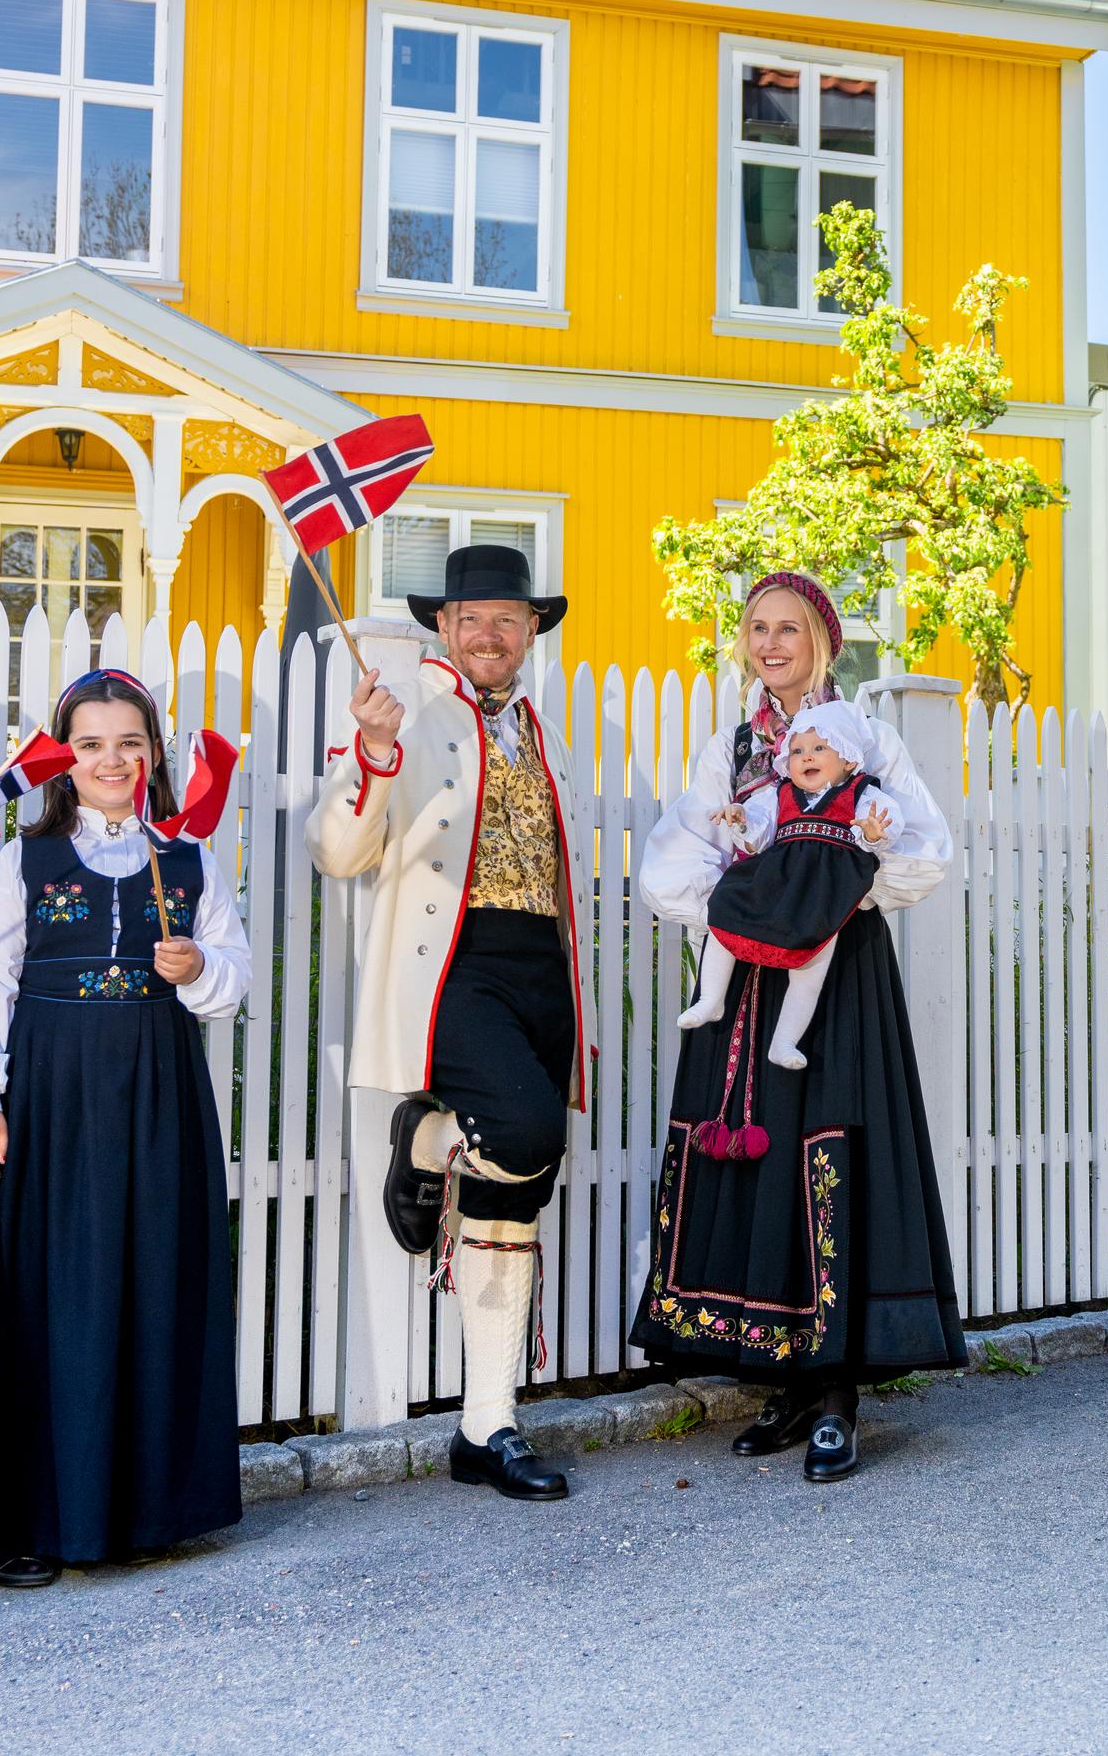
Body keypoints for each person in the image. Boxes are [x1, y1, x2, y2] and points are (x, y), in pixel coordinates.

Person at [632, 573, 963, 1482]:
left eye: (790, 629)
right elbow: (678, 855)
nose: (771, 643)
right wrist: (745, 904)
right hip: (745, 977)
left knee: (827, 1155)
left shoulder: (871, 739)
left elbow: (921, 848)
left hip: (837, 971)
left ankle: (836, 1395)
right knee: (762, 1159)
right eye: (757, 628)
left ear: (823, 641)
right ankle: (781, 1377)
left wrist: (834, 888)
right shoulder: (731, 748)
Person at [309, 539, 586, 1501]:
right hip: (459, 966)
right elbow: (335, 849)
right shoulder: (408, 716)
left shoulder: (542, 729)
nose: (489, 633)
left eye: (508, 619)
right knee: (521, 1131)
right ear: (442, 626)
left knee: (521, 1189)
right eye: (471, 618)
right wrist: (374, 755)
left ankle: (487, 1426)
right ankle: (425, 1137)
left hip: (542, 973)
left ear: (530, 632)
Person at [0, 669, 251, 1578]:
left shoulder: (190, 858)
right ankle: (40, 1519)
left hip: (158, 1088)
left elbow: (231, 982)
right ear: (62, 757)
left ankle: (150, 1509)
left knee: (153, 1278)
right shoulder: (25, 861)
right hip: (53, 1090)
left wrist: (198, 963)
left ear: (155, 754)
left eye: (130, 742)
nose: (112, 760)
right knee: (51, 1290)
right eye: (89, 744)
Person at [675, 701, 900, 1074]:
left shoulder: (862, 793)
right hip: (778, 878)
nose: (806, 757)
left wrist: (875, 833)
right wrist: (742, 818)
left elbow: (886, 821)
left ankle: (785, 1040)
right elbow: (761, 826)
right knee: (726, 908)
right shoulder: (779, 793)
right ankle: (711, 998)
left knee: (812, 959)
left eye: (818, 749)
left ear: (847, 760)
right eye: (797, 751)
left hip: (825, 887)